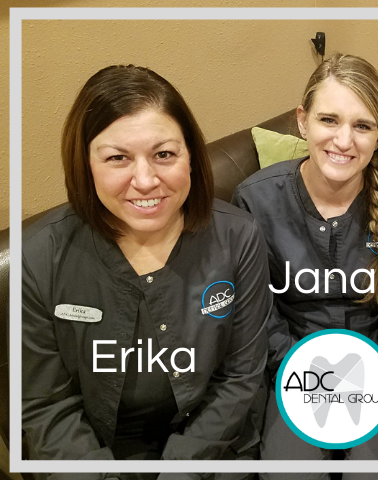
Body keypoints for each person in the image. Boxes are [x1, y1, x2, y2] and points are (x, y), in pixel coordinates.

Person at [22, 65, 271, 480]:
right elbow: (45, 405)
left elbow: (241, 376)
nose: (145, 180)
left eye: (164, 154)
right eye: (118, 158)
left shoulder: (238, 237)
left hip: (213, 452)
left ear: (191, 156)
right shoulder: (42, 256)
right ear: (85, 163)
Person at [232, 53, 378, 479]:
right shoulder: (255, 201)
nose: (344, 141)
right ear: (302, 121)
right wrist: (301, 370)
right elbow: (255, 313)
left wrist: (377, 372)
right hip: (291, 366)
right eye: (329, 120)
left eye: (362, 125)